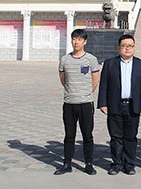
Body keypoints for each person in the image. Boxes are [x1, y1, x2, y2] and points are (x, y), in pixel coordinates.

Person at [98, 34, 141, 176]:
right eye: (124, 46)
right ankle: (116, 164)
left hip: (133, 105)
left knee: (131, 137)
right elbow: (104, 84)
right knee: (115, 137)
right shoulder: (109, 63)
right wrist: (102, 103)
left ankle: (129, 164)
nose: (127, 48)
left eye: (130, 46)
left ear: (134, 48)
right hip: (115, 105)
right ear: (118, 47)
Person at [54, 29, 100, 175]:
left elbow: (95, 80)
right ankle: (67, 164)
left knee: (87, 135)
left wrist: (85, 93)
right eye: (74, 39)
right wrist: (72, 91)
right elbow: (63, 79)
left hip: (85, 103)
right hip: (69, 103)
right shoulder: (64, 60)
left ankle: (89, 164)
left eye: (79, 39)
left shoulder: (91, 59)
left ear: (85, 41)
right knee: (69, 135)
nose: (76, 42)